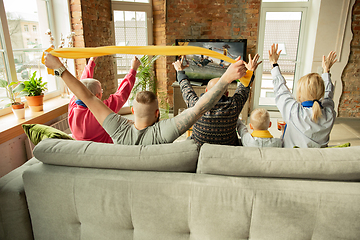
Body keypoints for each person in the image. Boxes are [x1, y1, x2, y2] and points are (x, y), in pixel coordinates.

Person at [44, 53, 248, 145]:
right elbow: (199, 108)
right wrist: (227, 77)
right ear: (158, 113)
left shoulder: (118, 130)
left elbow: (86, 97)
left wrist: (59, 68)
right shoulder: (164, 132)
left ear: (132, 111)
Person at [174, 54, 262, 146]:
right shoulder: (234, 105)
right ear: (227, 93)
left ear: (206, 90)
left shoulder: (195, 104)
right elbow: (245, 87)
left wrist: (180, 71)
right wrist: (250, 70)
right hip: (228, 150)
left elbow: (185, 88)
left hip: (200, 150)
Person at [269, 43, 337, 148]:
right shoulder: (329, 113)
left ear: (300, 96)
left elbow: (280, 90)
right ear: (321, 93)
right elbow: (328, 95)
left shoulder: (294, 111)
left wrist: (274, 63)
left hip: (293, 159)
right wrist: (326, 70)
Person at [68, 56, 140, 143]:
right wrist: (133, 69)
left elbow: (81, 88)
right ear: (97, 96)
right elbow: (122, 94)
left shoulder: (72, 105)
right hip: (102, 149)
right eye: (101, 90)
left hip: (80, 148)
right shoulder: (102, 110)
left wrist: (91, 62)